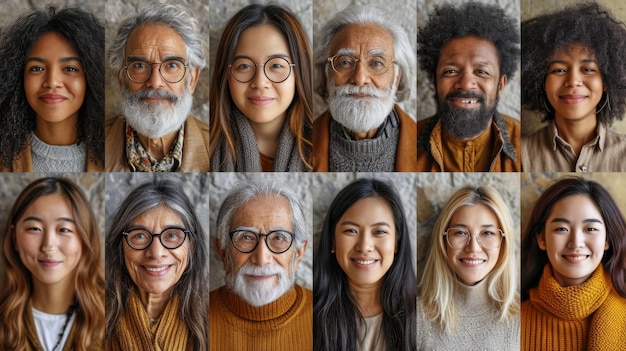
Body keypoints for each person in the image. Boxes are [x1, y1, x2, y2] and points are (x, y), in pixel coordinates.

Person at [521, 177, 626, 350]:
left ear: (607, 239)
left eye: (590, 229)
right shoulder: (512, 321)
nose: (576, 243)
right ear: (541, 239)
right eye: (562, 229)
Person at [0, 177, 104, 350]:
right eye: (34, 228)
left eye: (64, 230)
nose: (48, 246)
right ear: (14, 238)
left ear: (85, 239)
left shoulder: (112, 318)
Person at [105, 0, 209, 171]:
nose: (155, 82)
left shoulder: (217, 147)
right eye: (139, 65)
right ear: (120, 78)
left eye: (172, 65)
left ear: (192, 79)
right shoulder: (95, 144)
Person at [105, 180, 209, 350]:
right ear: (120, 246)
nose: (156, 252)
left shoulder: (213, 321)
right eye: (139, 236)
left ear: (192, 246)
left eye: (172, 235)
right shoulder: (94, 317)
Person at [521, 3, 626, 172]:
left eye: (588, 69)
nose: (573, 81)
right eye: (559, 70)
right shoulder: (520, 156)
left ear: (606, 81)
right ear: (542, 80)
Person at [417, 1, 521, 171]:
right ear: (434, 81)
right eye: (451, 71)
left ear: (500, 85)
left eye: (481, 72)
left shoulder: (523, 144)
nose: (465, 84)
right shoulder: (408, 142)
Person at [314, 178, 416, 350]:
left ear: (397, 243)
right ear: (332, 241)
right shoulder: (309, 316)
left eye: (379, 232)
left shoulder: (423, 317)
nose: (364, 246)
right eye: (351, 231)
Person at [312, 5, 417, 172]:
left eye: (377, 63)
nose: (360, 79)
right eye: (345, 62)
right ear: (326, 75)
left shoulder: (426, 145)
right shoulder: (301, 143)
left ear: (396, 78)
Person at [209, 3, 313, 172]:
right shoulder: (205, 149)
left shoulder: (321, 148)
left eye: (277, 66)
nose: (260, 82)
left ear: (298, 73)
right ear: (226, 74)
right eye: (244, 66)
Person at [0, 7, 104, 172]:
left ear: (91, 78)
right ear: (18, 77)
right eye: (37, 68)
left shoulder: (114, 154)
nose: (52, 82)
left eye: (70, 69)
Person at [210, 181, 311, 349]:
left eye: (279, 238)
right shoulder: (196, 316)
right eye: (246, 237)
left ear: (298, 253)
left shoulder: (324, 314)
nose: (262, 258)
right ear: (223, 252)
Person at [417, 186, 519, 350]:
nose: (473, 248)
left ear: (503, 243)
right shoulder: (414, 318)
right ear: (443, 241)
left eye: (487, 233)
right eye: (461, 232)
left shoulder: (523, 318)